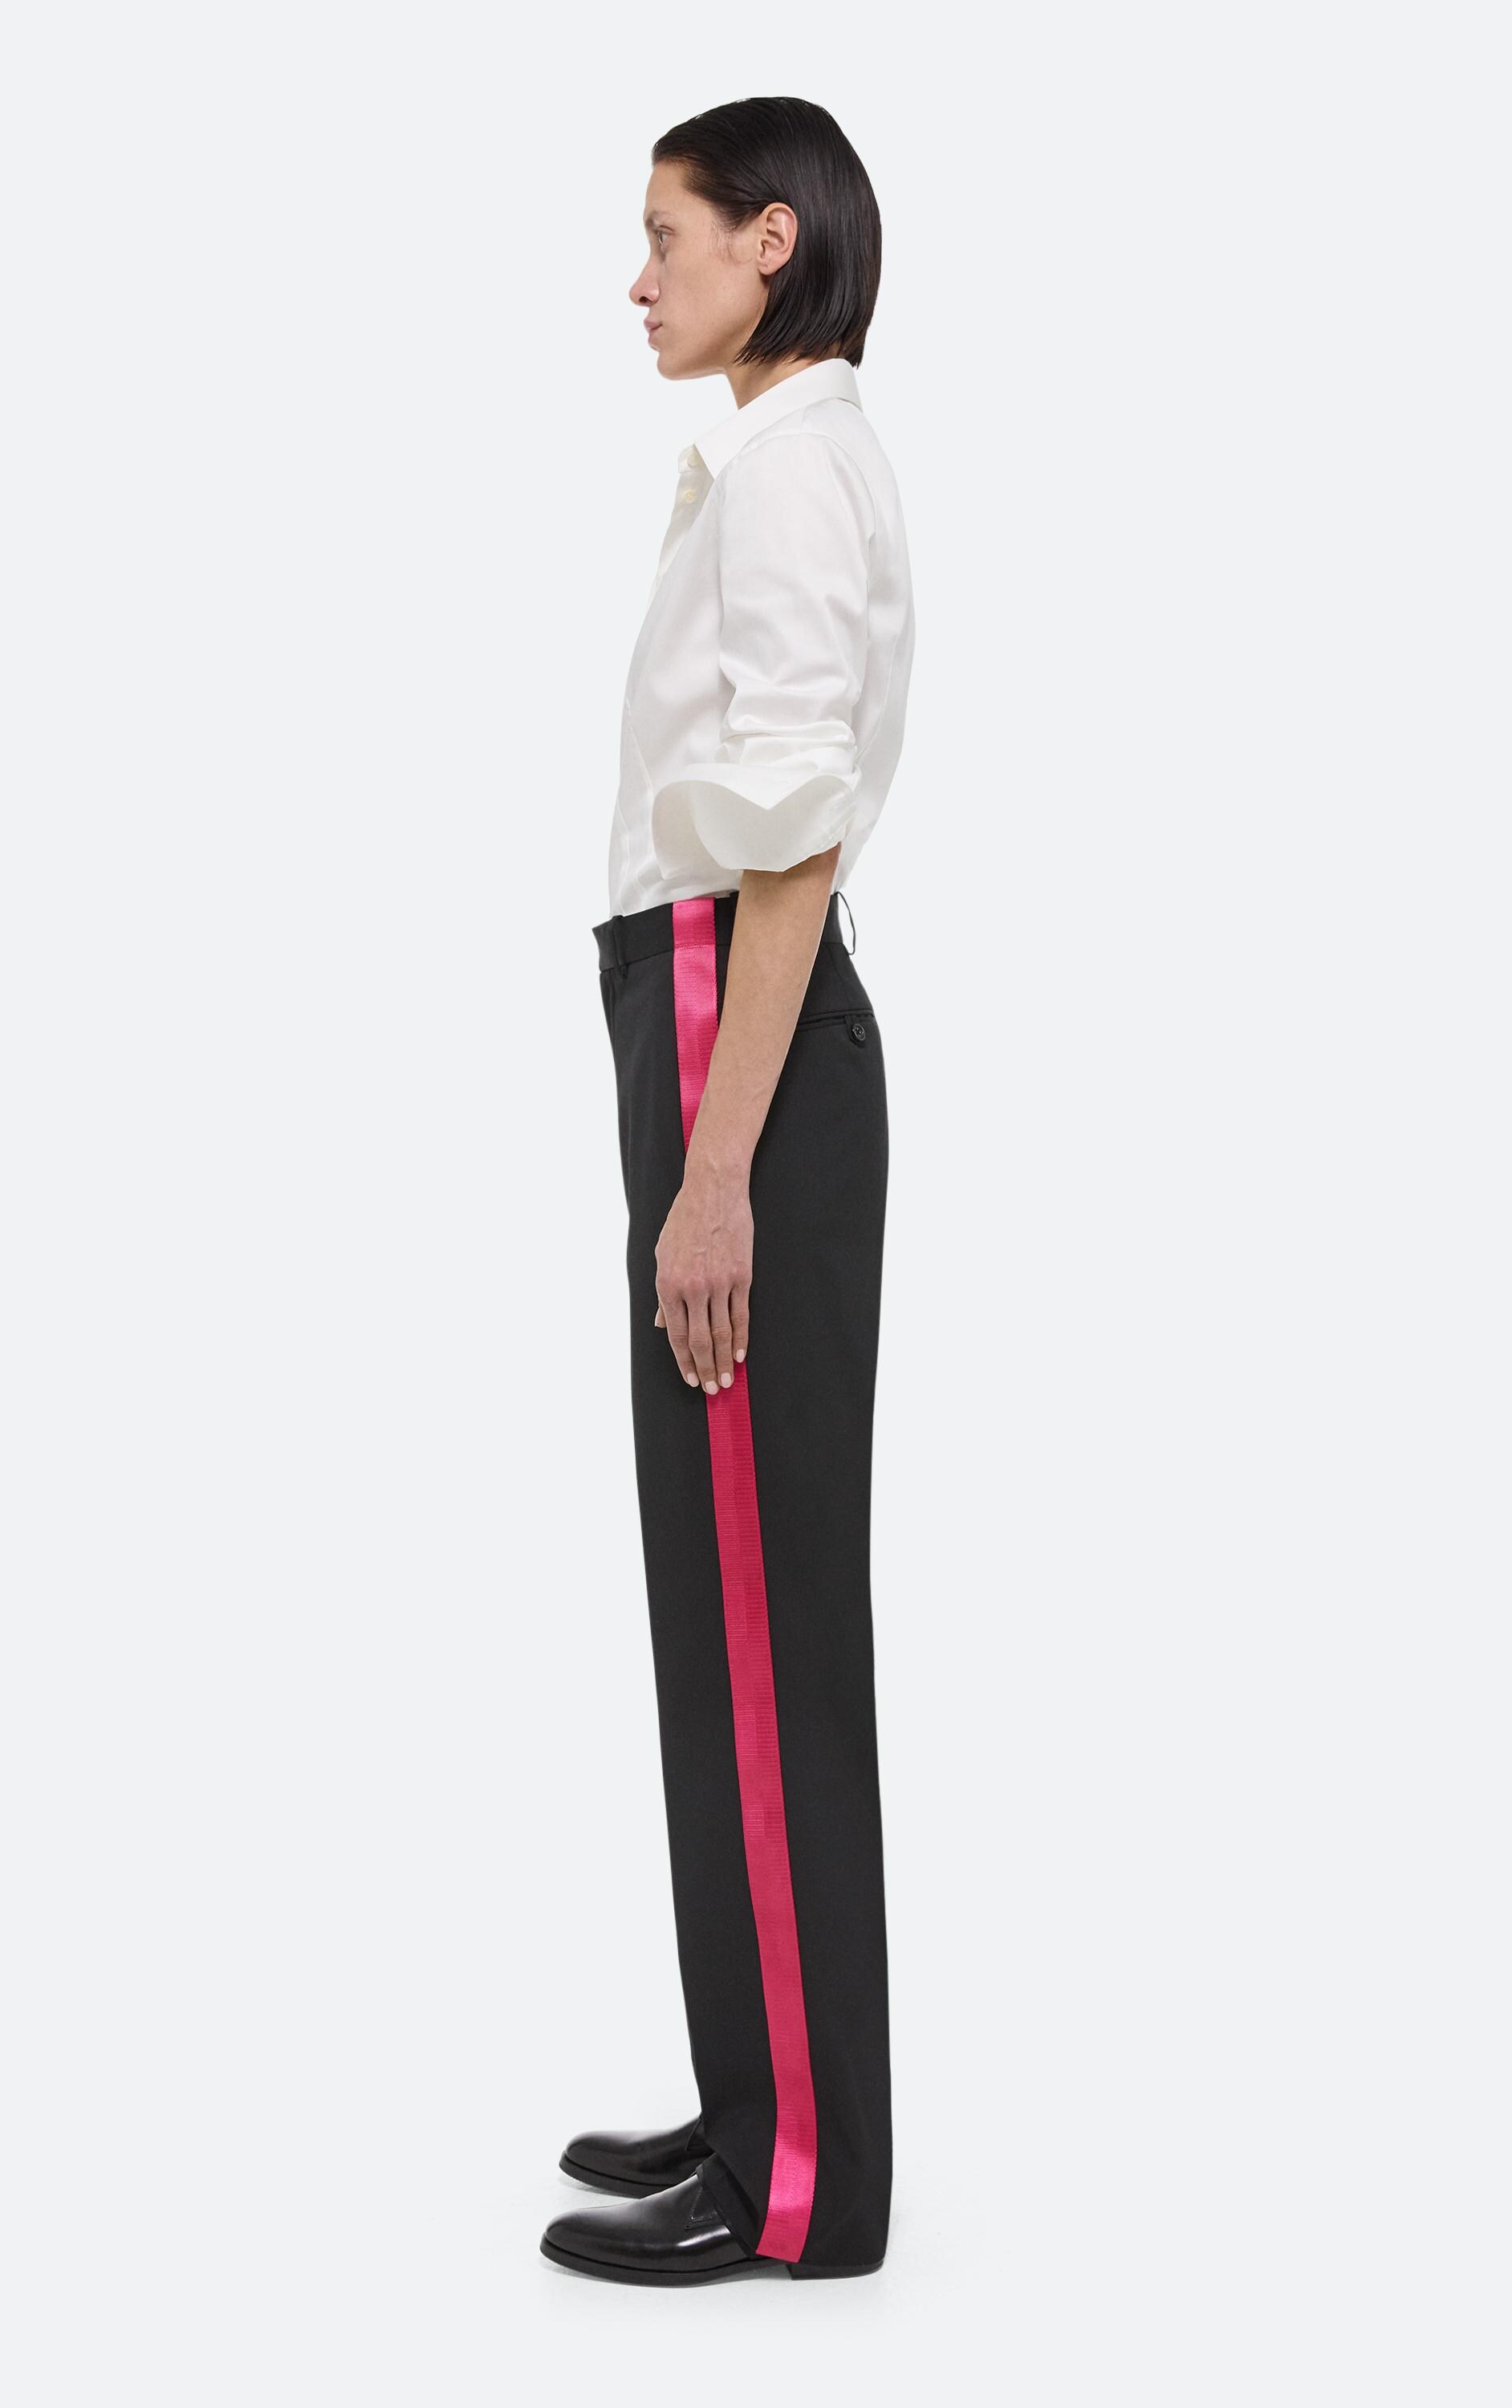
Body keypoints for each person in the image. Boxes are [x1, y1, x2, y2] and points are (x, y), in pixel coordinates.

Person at [539, 98, 916, 2288]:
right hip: (710, 1029)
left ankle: (799, 2184)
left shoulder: (790, 472)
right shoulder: (790, 460)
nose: (640, 275)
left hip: (730, 1042)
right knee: (729, 1618)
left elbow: (787, 845)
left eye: (667, 235)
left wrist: (714, 1177)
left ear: (773, 242)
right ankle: (761, 2096)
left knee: (760, 1630)